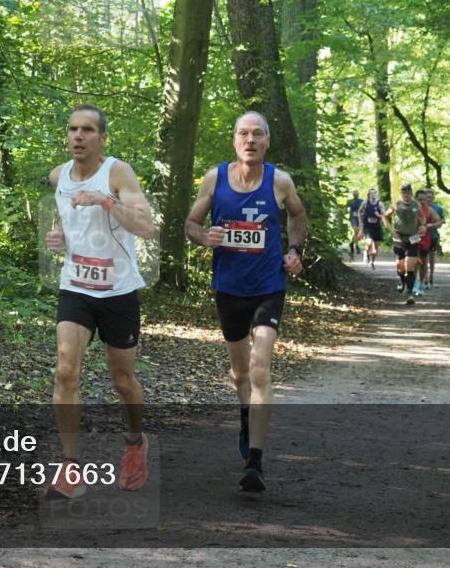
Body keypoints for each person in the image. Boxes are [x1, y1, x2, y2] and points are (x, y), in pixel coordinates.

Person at [184, 111, 307, 493]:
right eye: (243, 133)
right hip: (228, 288)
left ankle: (255, 461)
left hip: (269, 286)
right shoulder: (215, 178)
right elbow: (190, 224)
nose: (249, 140)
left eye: (257, 134)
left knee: (259, 368)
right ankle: (245, 415)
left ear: (267, 141)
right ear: (234, 141)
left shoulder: (279, 181)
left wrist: (295, 250)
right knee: (240, 374)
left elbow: (299, 214)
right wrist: (204, 238)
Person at [44, 105, 157, 499]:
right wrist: (57, 237)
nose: (78, 136)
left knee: (122, 380)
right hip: (75, 286)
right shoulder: (58, 176)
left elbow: (147, 227)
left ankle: (134, 442)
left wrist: (106, 200)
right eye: (72, 129)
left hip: (118, 291)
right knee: (65, 371)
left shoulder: (117, 173)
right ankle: (70, 466)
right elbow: (67, 223)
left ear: (102, 138)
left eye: (88, 130)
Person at [383, 184, 426, 305]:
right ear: (401, 194)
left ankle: (409, 294)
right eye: (404, 193)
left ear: (411, 193)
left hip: (413, 238)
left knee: (410, 266)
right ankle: (402, 281)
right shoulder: (396, 204)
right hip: (399, 238)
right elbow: (385, 217)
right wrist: (391, 230)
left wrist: (422, 225)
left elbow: (422, 218)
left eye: (408, 193)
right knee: (400, 267)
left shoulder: (416, 204)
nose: (406, 195)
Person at [414, 189, 442, 296]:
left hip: (425, 240)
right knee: (413, 261)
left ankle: (420, 283)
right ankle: (413, 283)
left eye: (424, 200)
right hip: (412, 239)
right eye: (419, 199)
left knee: (423, 262)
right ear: (415, 199)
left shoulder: (429, 210)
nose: (421, 202)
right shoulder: (410, 208)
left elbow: (438, 221)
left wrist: (431, 225)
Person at [358, 188, 386, 269]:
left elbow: (384, 215)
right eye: (371, 193)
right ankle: (365, 253)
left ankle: (372, 262)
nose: (373, 195)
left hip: (376, 226)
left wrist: (379, 215)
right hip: (367, 226)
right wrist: (361, 223)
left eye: (374, 193)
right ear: (368, 195)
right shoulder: (365, 203)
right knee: (369, 243)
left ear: (376, 194)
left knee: (375, 247)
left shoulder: (380, 204)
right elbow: (359, 212)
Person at [425, 188, 446, 289]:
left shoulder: (438, 208)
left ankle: (431, 274)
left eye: (430, 197)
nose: (429, 199)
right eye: (427, 197)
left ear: (433, 198)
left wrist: (435, 224)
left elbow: (443, 220)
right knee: (423, 257)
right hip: (422, 236)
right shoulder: (420, 207)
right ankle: (424, 276)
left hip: (433, 236)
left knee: (431, 256)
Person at [346, 190, 364, 260]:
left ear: (358, 195)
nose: (356, 195)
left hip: (359, 218)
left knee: (357, 232)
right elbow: (344, 208)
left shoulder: (361, 201)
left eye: (357, 194)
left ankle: (352, 244)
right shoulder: (350, 201)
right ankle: (356, 246)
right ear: (353, 195)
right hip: (352, 218)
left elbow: (364, 209)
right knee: (356, 230)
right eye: (354, 194)